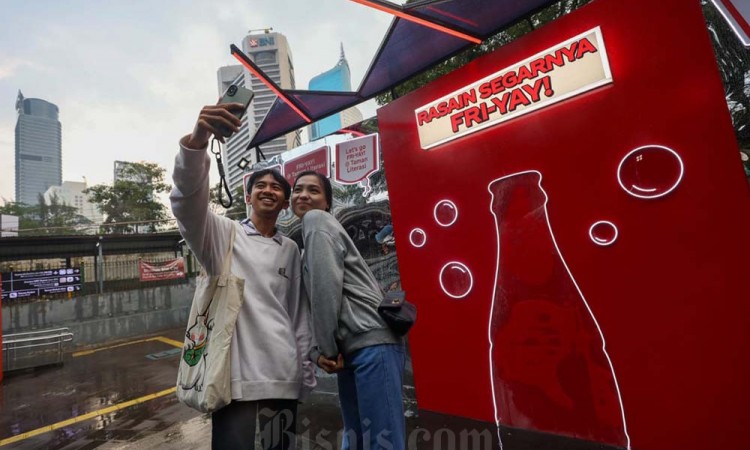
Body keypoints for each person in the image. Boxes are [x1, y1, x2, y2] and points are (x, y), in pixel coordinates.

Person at [170, 102, 315, 450]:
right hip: (235, 382)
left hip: (284, 377)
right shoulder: (223, 234)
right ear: (248, 196)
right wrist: (197, 141)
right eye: (260, 185)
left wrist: (304, 371)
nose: (268, 189)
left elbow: (298, 315)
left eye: (277, 187)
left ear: (285, 202)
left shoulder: (291, 249)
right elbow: (186, 205)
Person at [290, 170, 406, 450]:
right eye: (298, 189)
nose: (304, 194)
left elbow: (325, 290)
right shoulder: (311, 239)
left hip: (370, 342)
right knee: (357, 436)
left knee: (381, 440)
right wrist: (325, 350)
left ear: (327, 203)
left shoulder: (317, 221)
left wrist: (326, 351)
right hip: (352, 347)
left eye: (314, 191)